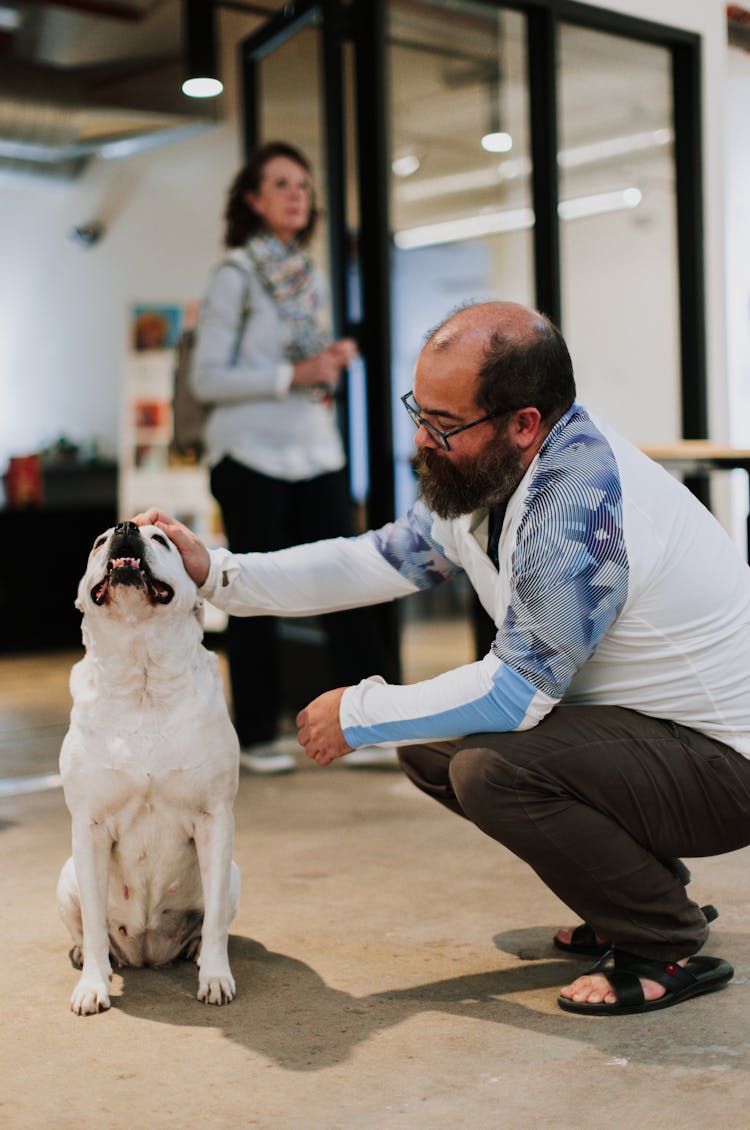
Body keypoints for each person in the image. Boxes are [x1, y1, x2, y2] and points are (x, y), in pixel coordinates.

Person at [137, 299, 750, 1016]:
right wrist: (218, 571)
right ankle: (633, 892)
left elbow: (515, 695)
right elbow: (375, 560)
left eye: (445, 424)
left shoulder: (576, 506)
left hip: (725, 766)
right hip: (644, 738)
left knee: (493, 770)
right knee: (429, 745)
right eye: (418, 413)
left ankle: (662, 941)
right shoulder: (488, 473)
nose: (423, 440)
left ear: (524, 423)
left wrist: (359, 711)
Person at [190, 140, 396, 774]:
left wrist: (324, 370)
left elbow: (306, 368)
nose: (296, 194)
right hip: (250, 453)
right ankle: (253, 735)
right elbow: (207, 379)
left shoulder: (310, 275)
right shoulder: (236, 274)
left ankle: (367, 723)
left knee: (346, 581)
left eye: (303, 185)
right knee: (252, 592)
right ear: (253, 200)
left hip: (315, 448)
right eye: (281, 183)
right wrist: (296, 370)